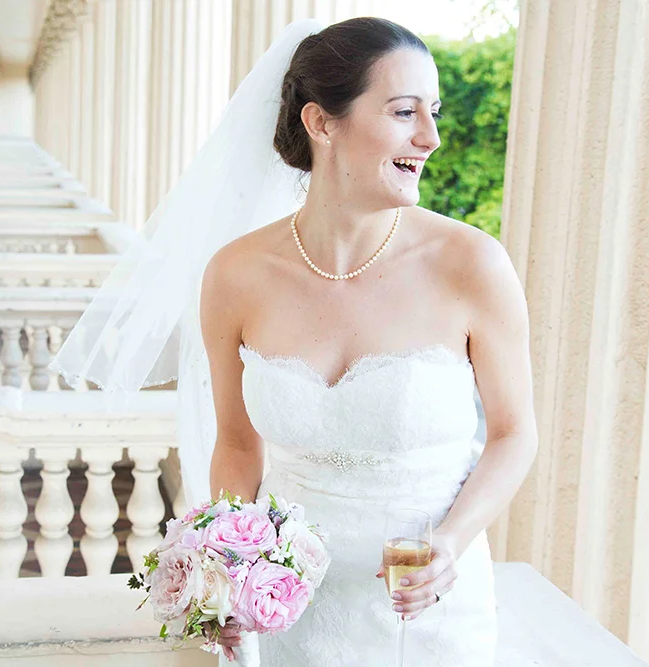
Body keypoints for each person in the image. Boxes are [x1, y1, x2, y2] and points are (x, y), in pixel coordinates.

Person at [53, 17, 537, 666]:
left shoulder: (472, 264)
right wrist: (225, 573)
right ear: (321, 123)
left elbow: (514, 433)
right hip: (289, 609)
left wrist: (452, 542)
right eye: (404, 112)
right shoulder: (235, 275)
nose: (431, 136)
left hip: (425, 604)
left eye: (434, 112)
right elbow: (236, 444)